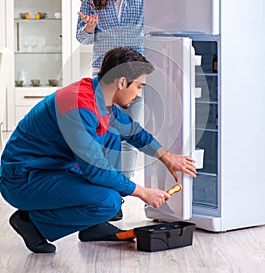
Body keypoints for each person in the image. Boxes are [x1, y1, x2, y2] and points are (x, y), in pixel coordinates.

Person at [0, 47, 196, 254]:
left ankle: (91, 226)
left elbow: (133, 132)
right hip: (23, 179)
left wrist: (167, 157)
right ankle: (30, 222)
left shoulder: (100, 97)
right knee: (108, 201)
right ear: (122, 82)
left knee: (112, 133)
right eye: (139, 87)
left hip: (53, 168)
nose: (139, 94)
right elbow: (96, 169)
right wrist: (143, 193)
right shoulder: (78, 106)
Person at [76, 0, 145, 218]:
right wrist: (90, 28)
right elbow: (82, 38)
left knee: (127, 135)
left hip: (134, 74)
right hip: (103, 75)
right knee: (102, 136)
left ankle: (118, 198)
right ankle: (103, 194)